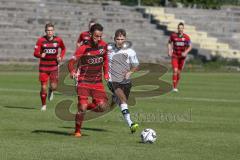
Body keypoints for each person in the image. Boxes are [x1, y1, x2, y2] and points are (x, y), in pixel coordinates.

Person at [68, 23, 109, 137]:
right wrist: (72, 71)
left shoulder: (104, 46)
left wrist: (106, 74)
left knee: (103, 107)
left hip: (97, 83)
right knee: (82, 108)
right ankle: (77, 131)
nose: (98, 39)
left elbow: (105, 60)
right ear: (91, 34)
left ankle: (84, 106)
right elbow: (71, 62)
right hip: (84, 81)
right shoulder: (83, 48)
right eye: (96, 36)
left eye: (100, 36)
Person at [107, 29, 139, 133]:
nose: (119, 41)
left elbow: (136, 65)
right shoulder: (108, 48)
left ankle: (113, 99)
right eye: (117, 39)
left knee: (118, 102)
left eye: (122, 39)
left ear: (125, 39)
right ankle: (131, 124)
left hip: (126, 81)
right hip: (112, 80)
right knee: (123, 101)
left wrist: (130, 72)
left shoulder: (130, 51)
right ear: (114, 39)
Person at [33, 23, 66, 111]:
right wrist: (41, 55)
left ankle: (51, 90)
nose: (49, 32)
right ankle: (43, 105)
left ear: (53, 31)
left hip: (54, 67)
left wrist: (60, 57)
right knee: (43, 87)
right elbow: (35, 53)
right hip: (43, 67)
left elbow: (63, 49)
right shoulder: (40, 40)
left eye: (51, 30)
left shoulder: (58, 40)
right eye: (48, 30)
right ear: (45, 31)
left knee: (54, 86)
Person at [168, 22, 192, 92]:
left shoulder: (186, 37)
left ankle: (176, 85)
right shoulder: (173, 36)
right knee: (175, 70)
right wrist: (169, 50)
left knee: (178, 72)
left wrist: (186, 52)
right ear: (177, 29)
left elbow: (190, 46)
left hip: (182, 57)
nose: (180, 29)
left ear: (183, 29)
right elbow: (169, 43)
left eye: (181, 28)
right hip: (175, 56)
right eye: (179, 28)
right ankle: (174, 87)